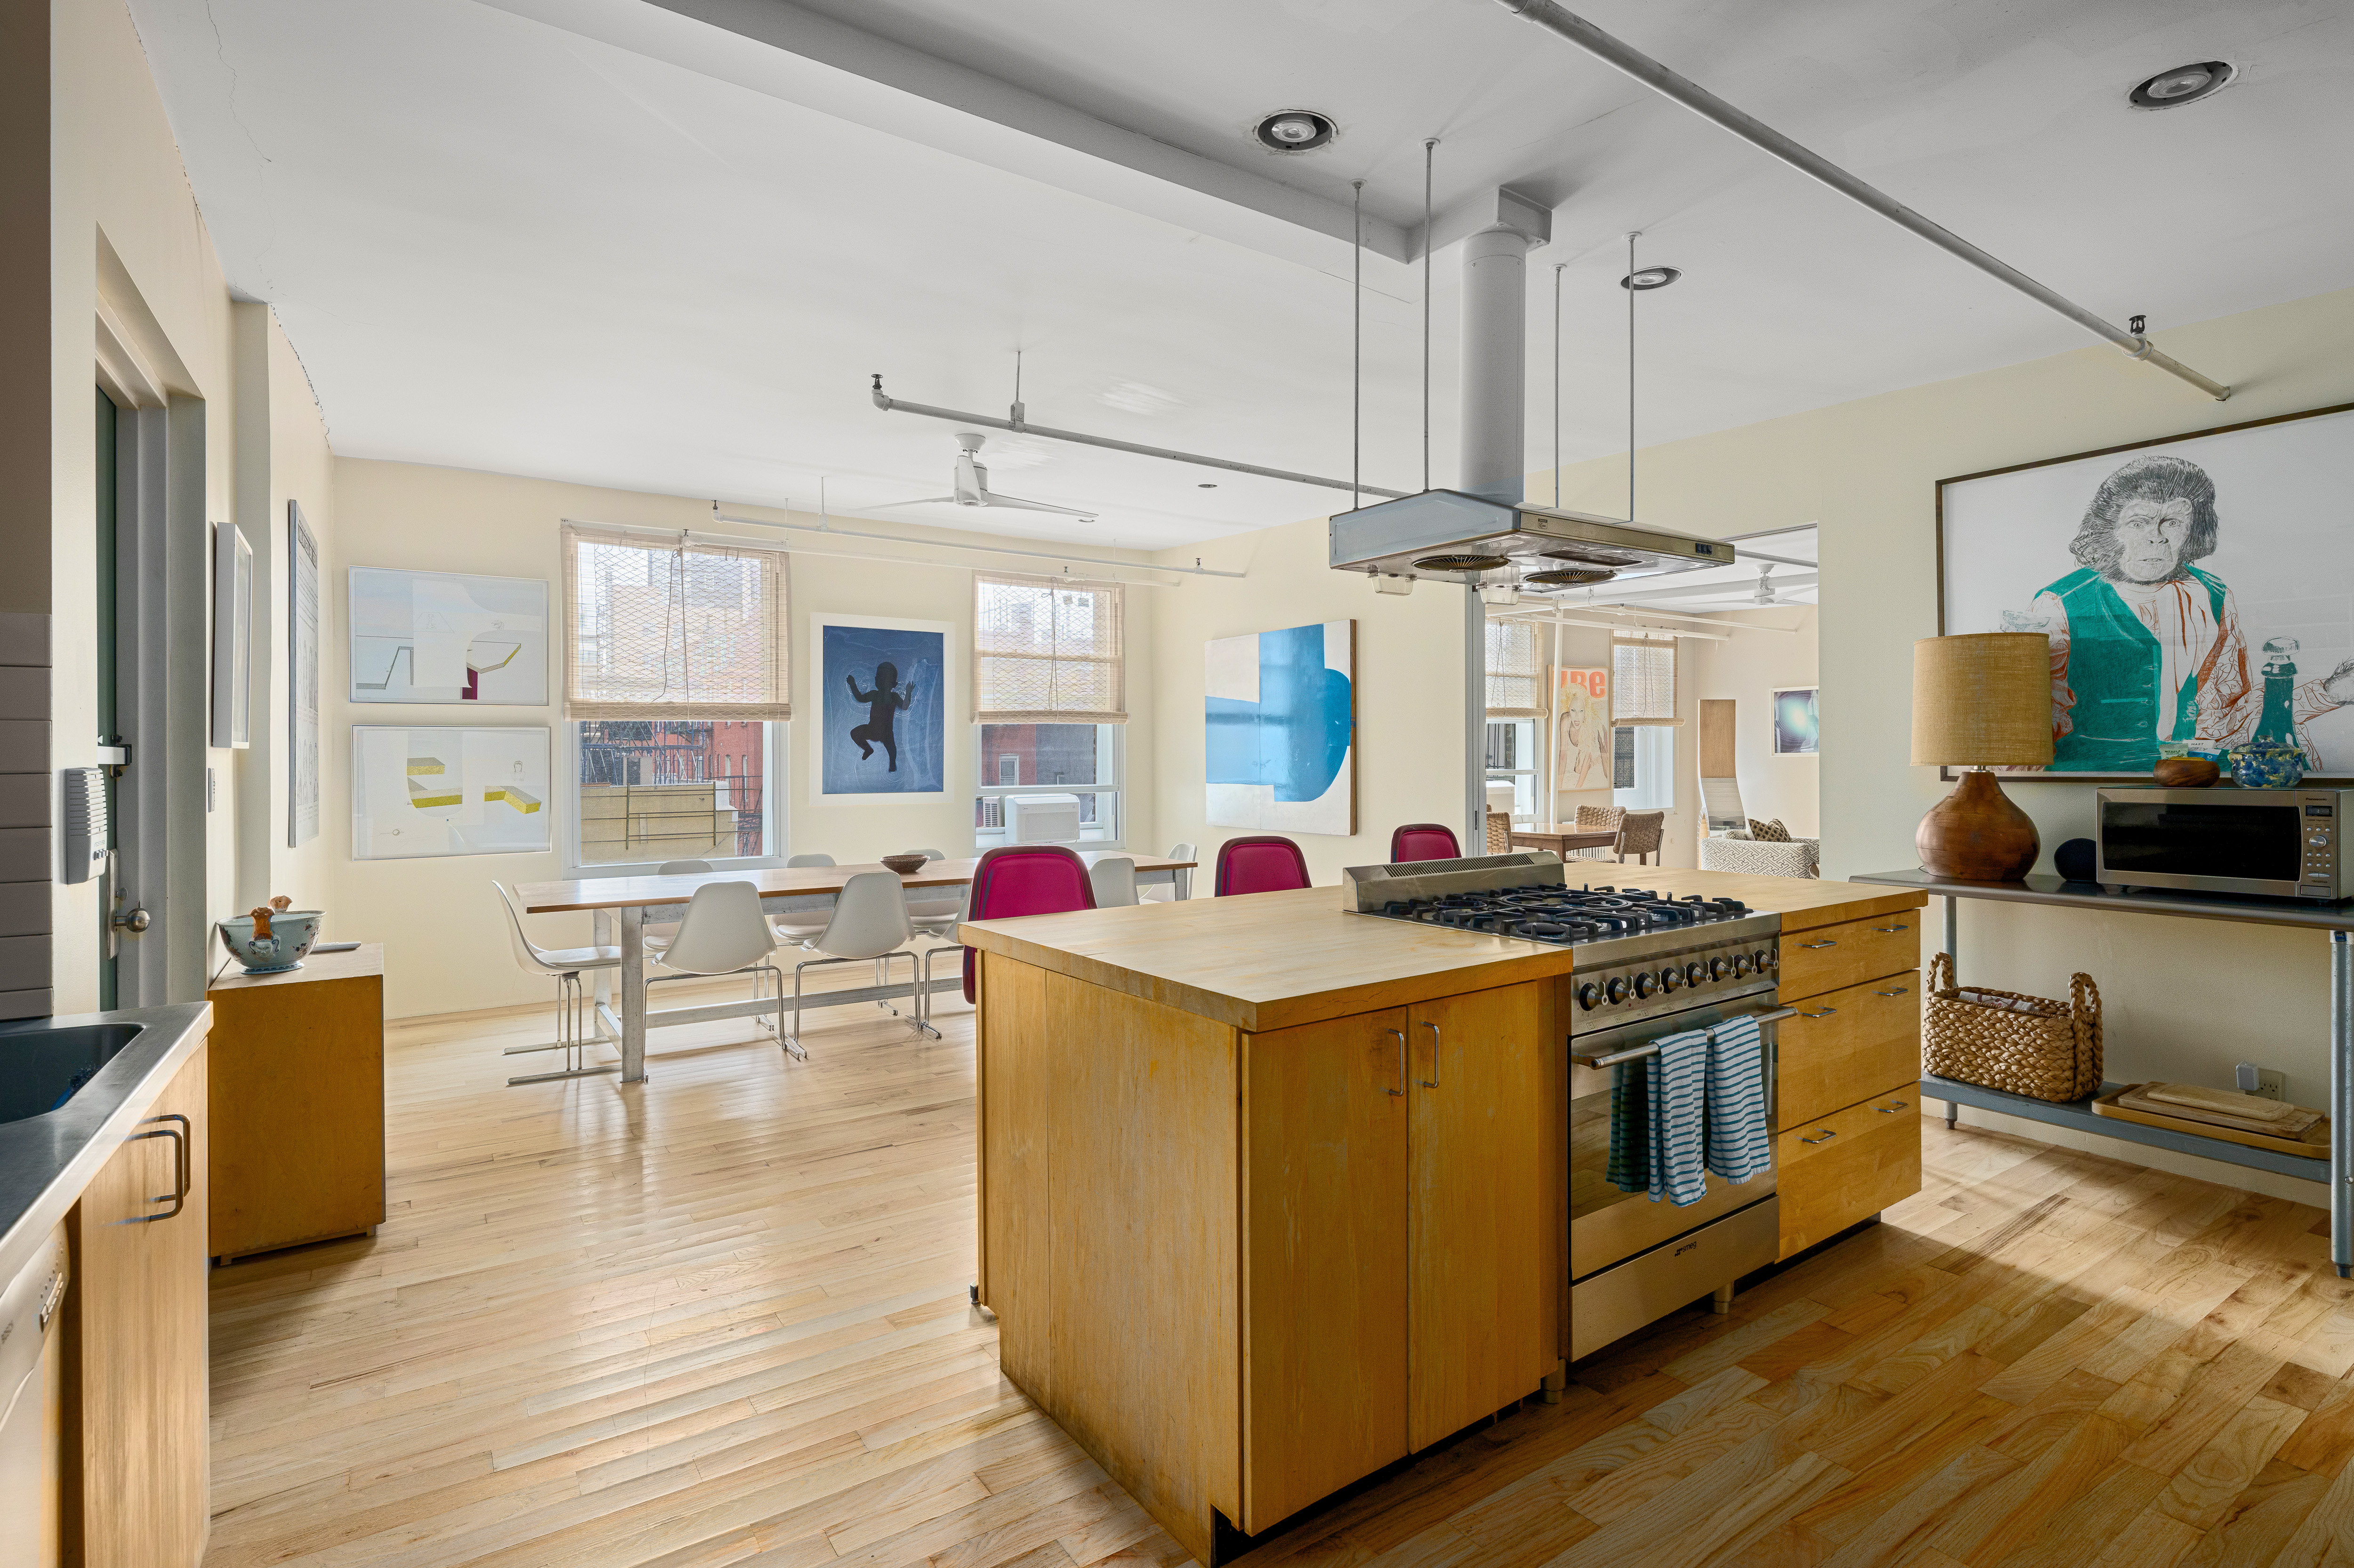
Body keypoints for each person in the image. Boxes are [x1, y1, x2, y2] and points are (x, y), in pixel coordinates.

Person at [2002, 454, 2354, 772]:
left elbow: (2230, 712)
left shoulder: (2214, 595)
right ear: (2111, 529)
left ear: (2192, 529)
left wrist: (2330, 691)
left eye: (2172, 522)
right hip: (2090, 780)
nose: (2156, 538)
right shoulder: (2059, 602)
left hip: (2187, 781)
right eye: (2139, 522)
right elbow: (2024, 725)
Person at [846, 660, 912, 772]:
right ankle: (868, 749)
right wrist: (853, 685)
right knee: (854, 733)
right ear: (876, 680)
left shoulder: (893, 697)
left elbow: (905, 707)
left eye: (885, 680)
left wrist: (909, 692)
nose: (881, 682)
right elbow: (861, 698)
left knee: (892, 750)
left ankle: (892, 763)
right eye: (880, 679)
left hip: (886, 732)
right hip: (872, 729)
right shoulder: (875, 694)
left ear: (894, 685)